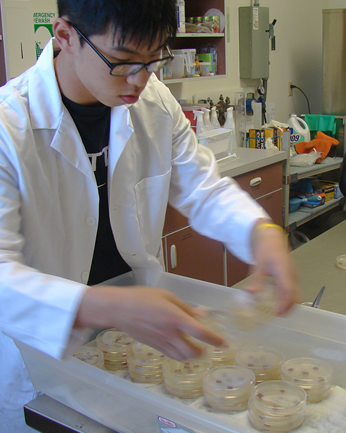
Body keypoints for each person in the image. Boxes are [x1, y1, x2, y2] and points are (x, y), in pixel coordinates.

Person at [0, 0, 299, 431]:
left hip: (139, 345)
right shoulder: (10, 128)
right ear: (65, 36)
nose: (141, 80)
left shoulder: (153, 102)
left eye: (154, 57)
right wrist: (106, 306)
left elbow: (203, 188)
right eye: (122, 63)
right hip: (43, 363)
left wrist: (259, 232)